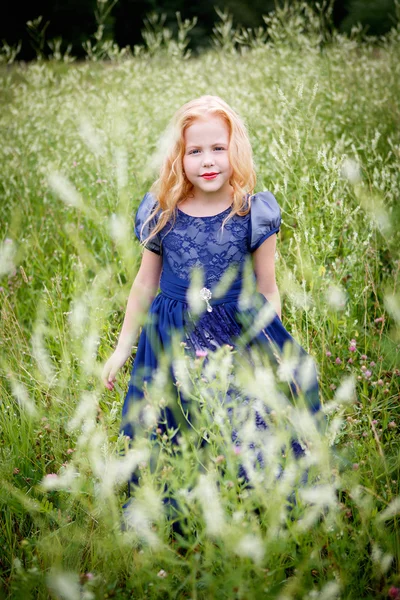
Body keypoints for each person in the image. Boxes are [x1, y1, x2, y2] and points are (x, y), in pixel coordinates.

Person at [102, 95, 324, 525]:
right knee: (173, 423)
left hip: (233, 336)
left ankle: (250, 506)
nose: (208, 160)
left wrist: (266, 342)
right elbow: (144, 285)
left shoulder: (251, 213)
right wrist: (121, 348)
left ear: (234, 150)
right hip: (169, 336)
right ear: (178, 158)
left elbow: (268, 289)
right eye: (195, 150)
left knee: (244, 421)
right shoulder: (162, 213)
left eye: (218, 148)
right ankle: (179, 508)